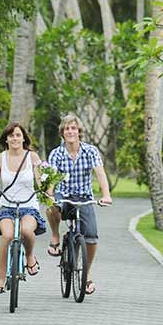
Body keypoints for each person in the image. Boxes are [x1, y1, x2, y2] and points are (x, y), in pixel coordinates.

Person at [46, 113, 112, 295]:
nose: (70, 131)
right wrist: (50, 195)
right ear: (62, 132)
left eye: (73, 128)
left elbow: (100, 173)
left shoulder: (90, 151)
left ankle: (87, 273)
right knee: (51, 206)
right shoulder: (56, 153)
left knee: (91, 237)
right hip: (64, 194)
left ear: (79, 132)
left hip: (84, 197)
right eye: (67, 128)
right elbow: (51, 178)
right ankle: (55, 237)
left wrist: (106, 195)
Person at [0, 121, 48, 295]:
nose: (15, 138)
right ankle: (0, 280)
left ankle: (30, 257)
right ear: (6, 139)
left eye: (18, 135)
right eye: (11, 135)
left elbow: (41, 180)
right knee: (7, 236)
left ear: (24, 138)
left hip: (29, 206)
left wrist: (47, 190)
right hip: (7, 206)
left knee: (27, 231)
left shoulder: (32, 157)